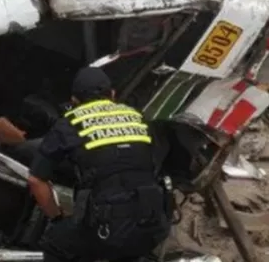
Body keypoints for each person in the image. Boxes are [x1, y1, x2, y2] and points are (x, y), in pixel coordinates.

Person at [29, 67, 171, 262]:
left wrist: (57, 217)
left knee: (55, 243)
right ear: (112, 94)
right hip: (153, 225)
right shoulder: (138, 118)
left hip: (108, 231)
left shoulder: (71, 122)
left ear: (74, 101)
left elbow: (36, 180)